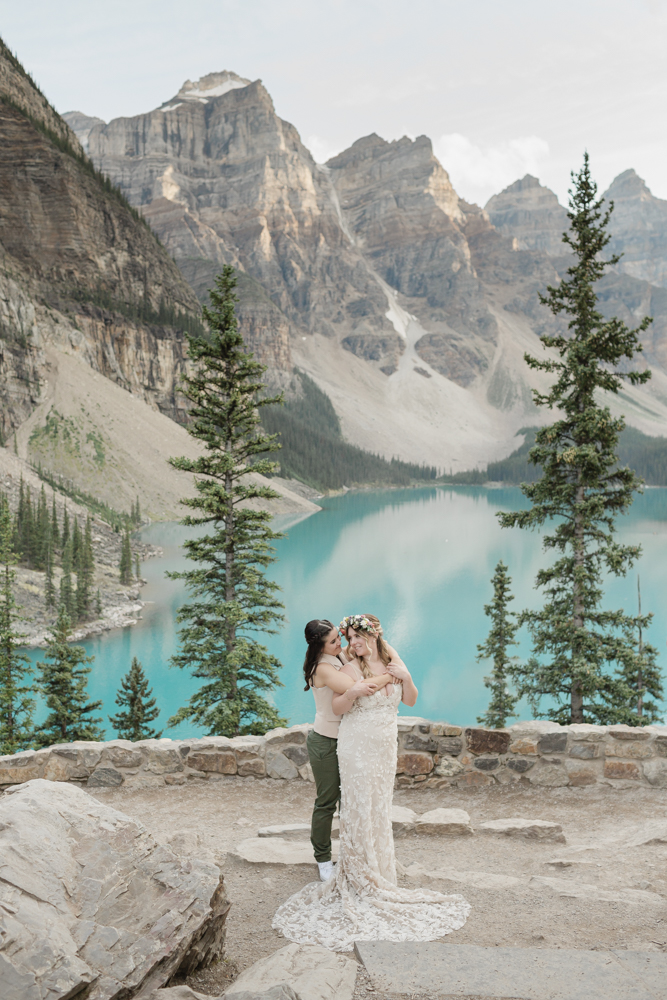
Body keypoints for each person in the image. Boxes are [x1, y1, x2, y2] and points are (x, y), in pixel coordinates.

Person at [273, 613, 470, 952]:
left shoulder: (349, 657)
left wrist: (400, 671)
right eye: (339, 639)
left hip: (380, 745)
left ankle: (378, 862)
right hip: (333, 740)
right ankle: (328, 861)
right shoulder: (329, 667)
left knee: (376, 805)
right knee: (333, 802)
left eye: (347, 637)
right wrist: (385, 677)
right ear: (323, 645)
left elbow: (406, 693)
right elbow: (350, 694)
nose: (345, 645)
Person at [302, 619, 393, 882]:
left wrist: (363, 635)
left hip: (349, 741)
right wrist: (393, 675)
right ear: (319, 645)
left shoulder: (337, 653)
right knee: (327, 802)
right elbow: (363, 688)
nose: (340, 644)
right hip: (326, 742)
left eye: (339, 637)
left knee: (352, 801)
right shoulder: (322, 668)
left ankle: (355, 855)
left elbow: (369, 651)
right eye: (333, 641)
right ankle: (323, 859)